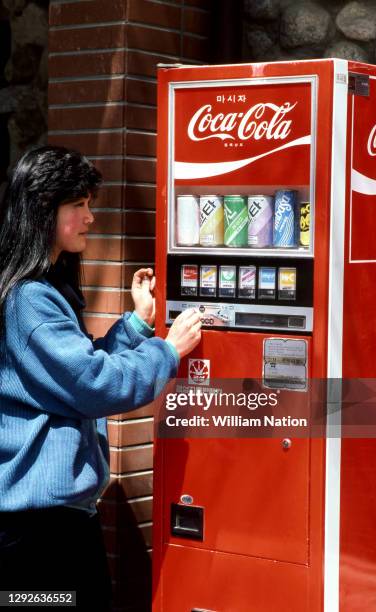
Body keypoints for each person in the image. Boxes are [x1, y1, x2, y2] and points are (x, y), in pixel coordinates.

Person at [0, 146, 201, 610]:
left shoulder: (39, 290)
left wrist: (135, 325)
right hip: (38, 536)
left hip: (51, 524)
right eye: (79, 205)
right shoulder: (29, 299)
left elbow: (74, 376)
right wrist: (168, 350)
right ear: (42, 209)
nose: (90, 217)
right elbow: (94, 386)